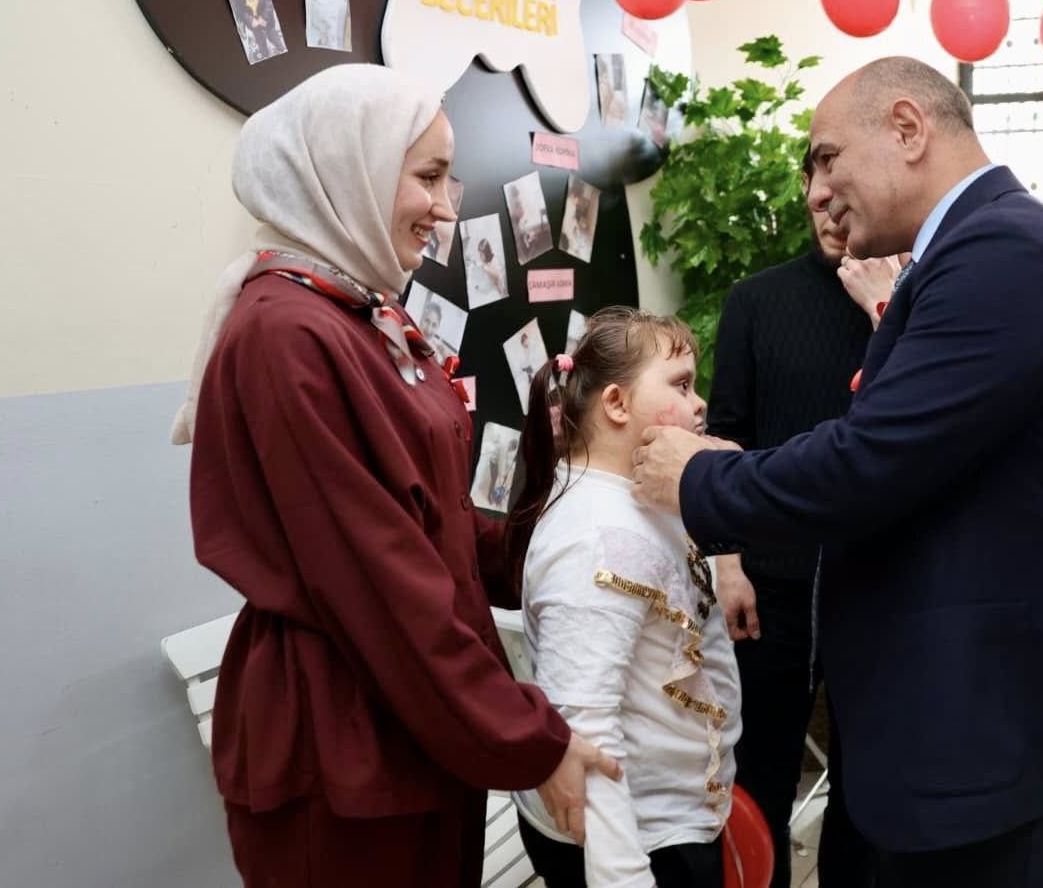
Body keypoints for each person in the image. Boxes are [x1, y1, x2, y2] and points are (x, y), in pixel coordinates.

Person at [629, 57, 1043, 888]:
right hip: (959, 723)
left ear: (908, 129)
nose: (819, 190)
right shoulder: (975, 249)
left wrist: (699, 476)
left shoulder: (1006, 253)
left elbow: (868, 460)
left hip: (1000, 737)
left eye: (828, 157)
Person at [173, 65, 619, 887]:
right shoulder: (286, 335)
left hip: (411, 730)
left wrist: (564, 532)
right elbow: (380, 583)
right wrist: (531, 741)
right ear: (349, 169)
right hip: (342, 749)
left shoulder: (362, 314)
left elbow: (436, 521)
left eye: (450, 178)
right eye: (428, 176)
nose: (447, 208)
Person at [705, 155, 889, 888]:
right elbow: (727, 433)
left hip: (879, 583)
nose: (832, 213)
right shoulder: (757, 299)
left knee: (869, 789)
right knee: (761, 777)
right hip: (770, 586)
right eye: (819, 197)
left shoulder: (913, 301)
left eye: (845, 198)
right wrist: (725, 559)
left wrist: (887, 307)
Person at [509, 309, 741, 888]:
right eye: (681, 385)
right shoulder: (596, 538)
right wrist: (623, 875)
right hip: (638, 841)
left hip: (675, 813)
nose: (699, 404)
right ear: (616, 404)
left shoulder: (639, 497)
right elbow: (584, 727)